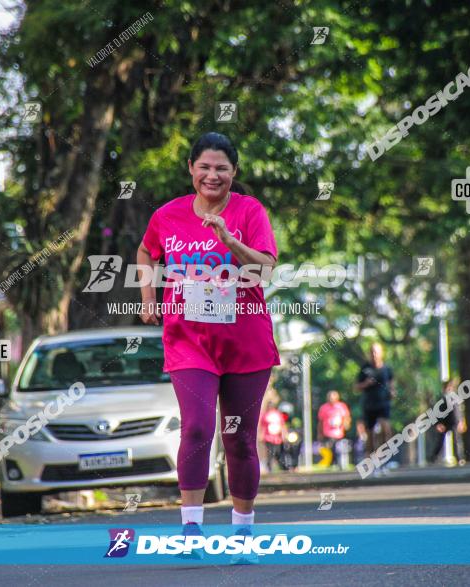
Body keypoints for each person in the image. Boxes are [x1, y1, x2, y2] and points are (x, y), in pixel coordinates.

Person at [137, 132, 281, 558]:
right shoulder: (168, 215)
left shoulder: (250, 211)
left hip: (245, 341)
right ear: (191, 169)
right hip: (189, 342)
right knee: (198, 427)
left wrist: (229, 239)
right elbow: (146, 253)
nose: (212, 175)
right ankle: (191, 531)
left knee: (238, 438)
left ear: (234, 173)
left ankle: (242, 535)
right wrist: (148, 298)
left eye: (221, 168)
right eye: (204, 167)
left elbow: (267, 269)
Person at [354, 343, 395, 466]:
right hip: (369, 405)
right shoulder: (364, 369)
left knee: (385, 429)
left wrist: (393, 392)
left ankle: (384, 457)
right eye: (371, 352)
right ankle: (370, 460)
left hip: (383, 404)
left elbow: (392, 384)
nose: (374, 354)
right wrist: (365, 383)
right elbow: (356, 387)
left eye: (376, 351)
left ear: (381, 353)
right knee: (370, 434)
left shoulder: (387, 369)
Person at [428, 378, 467, 464]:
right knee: (440, 442)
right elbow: (436, 413)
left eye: (450, 387)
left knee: (457, 441)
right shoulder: (441, 400)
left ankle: (459, 458)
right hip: (444, 423)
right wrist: (438, 424)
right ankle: (433, 458)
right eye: (447, 387)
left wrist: (461, 421)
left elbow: (459, 412)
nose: (449, 388)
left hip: (454, 423)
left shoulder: (456, 398)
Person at [317, 390, 351, 469]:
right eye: (330, 397)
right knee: (330, 449)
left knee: (340, 449)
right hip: (327, 433)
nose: (331, 399)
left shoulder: (341, 406)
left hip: (339, 433)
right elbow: (320, 422)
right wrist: (319, 433)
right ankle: (331, 464)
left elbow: (346, 417)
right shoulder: (324, 407)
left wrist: (346, 425)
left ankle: (340, 464)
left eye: (333, 397)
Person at [260, 402, 287, 472]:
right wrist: (262, 435)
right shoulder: (265, 415)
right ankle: (269, 468)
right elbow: (263, 426)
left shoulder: (278, 414)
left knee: (277, 452)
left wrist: (284, 435)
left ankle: (282, 467)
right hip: (268, 438)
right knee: (270, 453)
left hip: (277, 438)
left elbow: (282, 425)